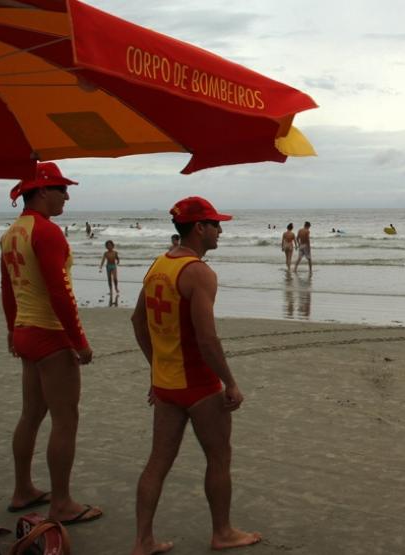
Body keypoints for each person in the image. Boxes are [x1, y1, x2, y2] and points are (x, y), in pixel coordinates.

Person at [130, 197, 260, 554]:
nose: (220, 230)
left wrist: (156, 369)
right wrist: (230, 382)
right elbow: (206, 338)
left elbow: (138, 321)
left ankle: (142, 541)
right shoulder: (199, 272)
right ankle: (222, 532)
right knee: (219, 458)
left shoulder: (159, 265)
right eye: (215, 224)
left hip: (166, 385)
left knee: (157, 462)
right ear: (199, 228)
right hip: (199, 384)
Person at [0, 162, 102, 525]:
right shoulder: (47, 232)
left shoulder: (13, 231)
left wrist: (13, 329)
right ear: (42, 190)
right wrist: (80, 341)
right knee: (65, 418)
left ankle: (22, 489)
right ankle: (61, 503)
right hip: (50, 334)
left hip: (26, 331)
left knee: (31, 414)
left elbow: (8, 288)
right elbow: (59, 293)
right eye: (61, 188)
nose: (67, 195)